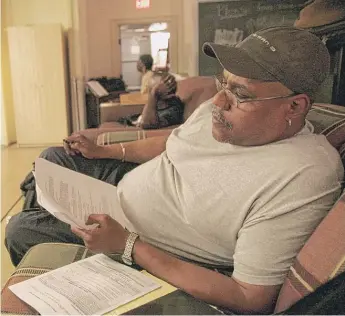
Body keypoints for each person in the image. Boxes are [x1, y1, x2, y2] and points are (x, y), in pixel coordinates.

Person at [5, 27, 344, 314]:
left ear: (295, 106)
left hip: (140, 239)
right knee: (51, 159)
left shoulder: (303, 174)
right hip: (121, 190)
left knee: (21, 228)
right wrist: (105, 150)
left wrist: (129, 245)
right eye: (223, 83)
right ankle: (46, 208)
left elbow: (250, 297)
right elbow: (175, 142)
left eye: (240, 94)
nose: (219, 101)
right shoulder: (221, 112)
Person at [118, 72, 185, 129]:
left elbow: (146, 124)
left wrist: (154, 94)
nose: (149, 94)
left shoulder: (173, 109)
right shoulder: (159, 105)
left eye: (151, 90)